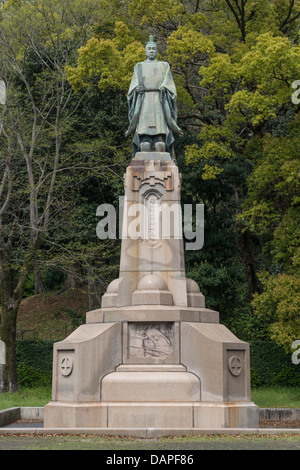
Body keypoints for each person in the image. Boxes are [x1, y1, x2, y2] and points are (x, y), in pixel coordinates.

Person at [125, 36, 183, 157]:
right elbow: (132, 89)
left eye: (153, 49)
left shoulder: (164, 65)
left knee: (160, 143)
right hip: (144, 100)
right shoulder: (139, 66)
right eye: (149, 48)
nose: (151, 51)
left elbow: (169, 84)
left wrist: (164, 88)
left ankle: (160, 138)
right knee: (144, 145)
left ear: (157, 51)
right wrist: (137, 89)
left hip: (159, 100)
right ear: (145, 51)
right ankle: (144, 138)